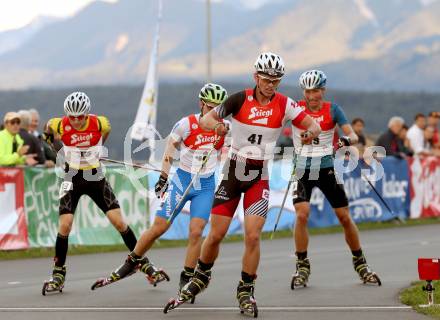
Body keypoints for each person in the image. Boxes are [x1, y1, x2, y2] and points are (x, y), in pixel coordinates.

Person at [164, 52, 320, 316]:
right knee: (215, 235)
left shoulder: (285, 104)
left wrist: (308, 134)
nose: (271, 84)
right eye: (266, 79)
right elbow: (205, 120)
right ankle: (201, 276)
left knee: (252, 235)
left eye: (276, 80)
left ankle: (246, 290)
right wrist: (218, 127)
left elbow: (314, 125)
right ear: (256, 77)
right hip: (234, 173)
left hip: (260, 176)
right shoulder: (239, 99)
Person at [92, 83, 230, 294]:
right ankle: (132, 262)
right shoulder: (186, 124)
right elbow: (169, 149)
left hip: (205, 185)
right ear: (201, 104)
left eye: (219, 109)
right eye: (211, 107)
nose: (215, 113)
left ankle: (187, 276)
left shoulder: (224, 126)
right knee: (159, 227)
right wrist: (164, 176)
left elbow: (229, 151)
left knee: (196, 232)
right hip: (182, 180)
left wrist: (224, 135)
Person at [41, 92, 141, 295]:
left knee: (119, 222)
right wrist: (56, 146)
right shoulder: (59, 123)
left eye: (80, 117)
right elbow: (48, 130)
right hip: (72, 177)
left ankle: (141, 261)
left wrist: (98, 148)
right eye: (72, 117)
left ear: (87, 114)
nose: (76, 121)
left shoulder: (99, 123)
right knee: (65, 224)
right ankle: (58, 273)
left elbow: (106, 132)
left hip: (95, 177)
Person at [290, 70, 381, 289]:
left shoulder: (333, 109)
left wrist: (343, 141)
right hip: (302, 169)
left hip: (327, 168)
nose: (312, 96)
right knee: (302, 215)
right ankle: (302, 265)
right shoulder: (295, 109)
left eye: (316, 91)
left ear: (323, 90)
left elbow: (354, 135)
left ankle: (360, 262)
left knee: (344, 217)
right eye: (308, 91)